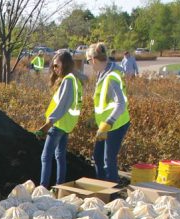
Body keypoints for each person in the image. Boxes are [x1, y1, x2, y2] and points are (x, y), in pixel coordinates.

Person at [34, 51, 82, 188]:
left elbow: (62, 105)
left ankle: (43, 188)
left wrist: (48, 124)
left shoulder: (68, 81)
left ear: (65, 65)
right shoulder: (75, 80)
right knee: (60, 156)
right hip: (66, 124)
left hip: (58, 124)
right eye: (53, 66)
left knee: (46, 156)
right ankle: (59, 186)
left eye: (56, 66)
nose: (54, 69)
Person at [86, 42, 130, 182]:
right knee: (98, 157)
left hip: (115, 124)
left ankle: (112, 195)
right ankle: (102, 189)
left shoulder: (111, 77)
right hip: (105, 125)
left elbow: (120, 104)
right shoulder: (103, 73)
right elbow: (104, 102)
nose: (89, 65)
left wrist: (107, 123)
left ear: (93, 59)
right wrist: (95, 118)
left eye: (88, 61)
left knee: (108, 161)